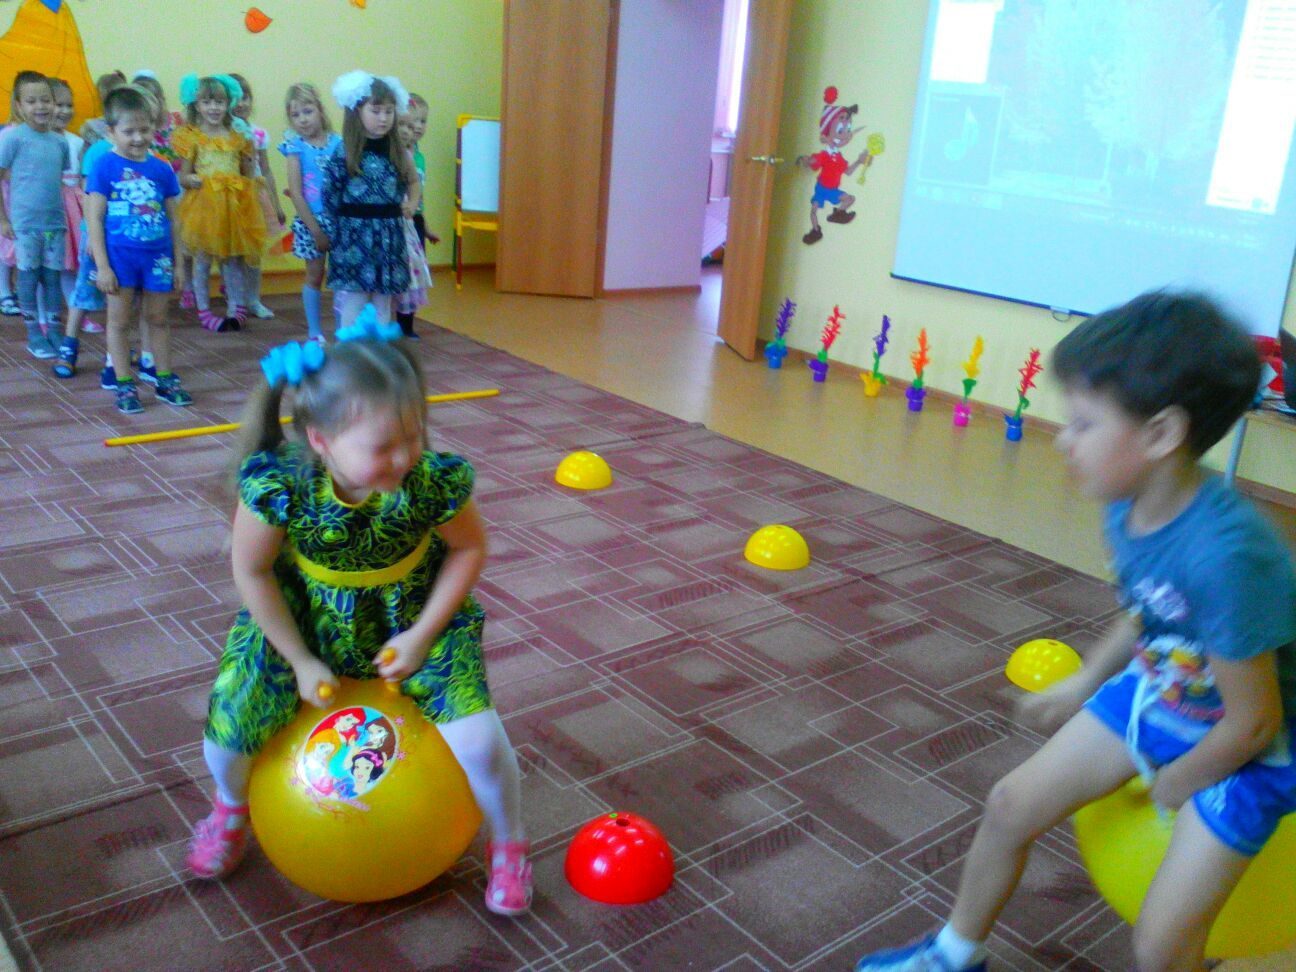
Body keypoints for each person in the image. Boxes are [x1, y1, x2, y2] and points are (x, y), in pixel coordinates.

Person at [855, 291, 1296, 972]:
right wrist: (1089, 678)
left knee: (1161, 945)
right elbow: (1151, 607)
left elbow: (1255, 721)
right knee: (1010, 805)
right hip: (1167, 688)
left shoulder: (1227, 556)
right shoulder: (1129, 503)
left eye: (1085, 423)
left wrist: (1177, 783)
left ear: (1160, 435)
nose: (1063, 439)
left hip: (1249, 749)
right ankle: (952, 956)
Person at [186, 315, 532, 915]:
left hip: (415, 619)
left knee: (479, 742)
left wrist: (421, 636)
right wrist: (298, 659)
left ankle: (509, 842)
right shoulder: (279, 485)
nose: (404, 456)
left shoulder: (431, 482)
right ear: (320, 440)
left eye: (414, 435)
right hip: (303, 624)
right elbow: (253, 573)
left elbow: (469, 549)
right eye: (382, 446)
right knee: (226, 736)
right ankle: (230, 808)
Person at [84, 85, 189, 414]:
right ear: (111, 131)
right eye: (129, 132)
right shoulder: (104, 166)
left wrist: (179, 264)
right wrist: (103, 267)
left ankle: (164, 378)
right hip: (120, 260)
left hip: (158, 258)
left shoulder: (161, 168)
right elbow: (94, 218)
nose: (138, 138)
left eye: (144, 130)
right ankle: (124, 383)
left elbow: (173, 220)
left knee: (158, 318)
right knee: (118, 322)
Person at [321, 71, 418, 327]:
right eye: (375, 111)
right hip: (354, 236)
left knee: (383, 299)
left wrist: (412, 203)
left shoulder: (398, 151)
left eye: (389, 111)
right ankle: (350, 346)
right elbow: (330, 192)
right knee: (355, 297)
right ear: (357, 112)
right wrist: (335, 230)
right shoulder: (345, 150)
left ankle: (378, 347)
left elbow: (413, 180)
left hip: (388, 235)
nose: (383, 118)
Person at [171, 74, 266, 332]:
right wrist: (193, 180)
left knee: (232, 260)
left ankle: (237, 306)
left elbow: (247, 172)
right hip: (203, 207)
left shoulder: (237, 135)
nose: (214, 108)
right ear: (197, 104)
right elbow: (183, 176)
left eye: (219, 102)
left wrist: (249, 158)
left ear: (228, 103)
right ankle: (204, 309)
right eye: (207, 102)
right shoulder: (193, 137)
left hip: (232, 207)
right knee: (202, 260)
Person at [0, 71, 70, 359]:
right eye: (31, 101)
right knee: (28, 279)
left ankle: (53, 330)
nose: (40, 106)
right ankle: (33, 334)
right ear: (19, 105)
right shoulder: (13, 139)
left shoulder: (60, 142)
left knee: (52, 279)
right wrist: (3, 219)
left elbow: (58, 181)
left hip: (55, 224)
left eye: (45, 100)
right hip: (25, 226)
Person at [280, 82, 341, 343]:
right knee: (315, 275)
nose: (303, 119)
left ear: (320, 110)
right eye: (296, 115)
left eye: (308, 111)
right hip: (311, 221)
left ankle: (343, 328)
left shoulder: (338, 144)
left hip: (339, 220)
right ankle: (315, 331)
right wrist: (315, 230)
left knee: (342, 279)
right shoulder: (295, 147)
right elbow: (296, 192)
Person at [229, 72, 285, 319]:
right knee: (231, 254)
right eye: (235, 98)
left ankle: (253, 299)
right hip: (230, 198)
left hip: (255, 197)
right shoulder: (221, 134)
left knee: (253, 253)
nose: (241, 103)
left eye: (245, 97)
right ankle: (235, 302)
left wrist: (276, 203)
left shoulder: (258, 133)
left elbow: (267, 170)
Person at [393, 98, 433, 339]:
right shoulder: (394, 155)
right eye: (409, 123)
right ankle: (390, 322)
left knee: (414, 274)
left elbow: (419, 195)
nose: (417, 127)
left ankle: (406, 325)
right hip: (397, 221)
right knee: (399, 271)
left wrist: (425, 226)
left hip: (415, 221)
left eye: (422, 121)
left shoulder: (419, 157)